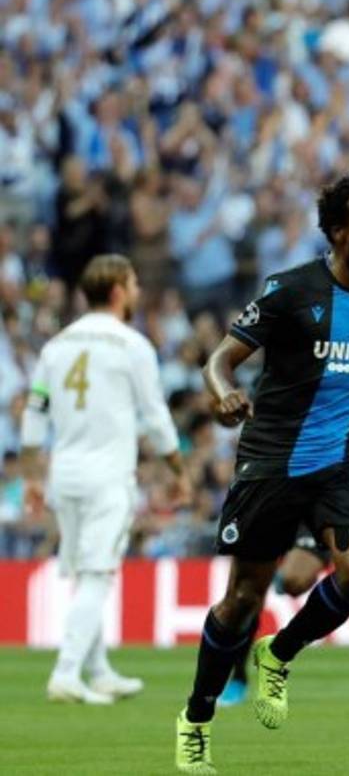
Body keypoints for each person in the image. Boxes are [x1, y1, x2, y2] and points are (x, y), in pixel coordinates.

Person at [175, 176, 349, 774]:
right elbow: (220, 359)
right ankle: (196, 717)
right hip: (273, 459)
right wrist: (224, 394)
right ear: (338, 234)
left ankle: (283, 651)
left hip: (343, 460)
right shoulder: (289, 291)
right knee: (242, 599)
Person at [20, 254, 190, 705]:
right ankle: (66, 671)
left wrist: (33, 478)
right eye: (133, 284)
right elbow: (155, 417)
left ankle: (97, 669)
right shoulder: (131, 346)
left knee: (83, 572)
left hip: (65, 474)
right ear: (117, 291)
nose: (136, 292)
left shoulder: (56, 346)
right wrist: (178, 469)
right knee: (98, 573)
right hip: (109, 475)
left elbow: (34, 416)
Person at [216, 367, 349, 707]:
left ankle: (277, 649)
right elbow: (258, 417)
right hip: (279, 479)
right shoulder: (288, 366)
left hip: (334, 488)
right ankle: (238, 676)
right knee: (248, 593)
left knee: (294, 579)